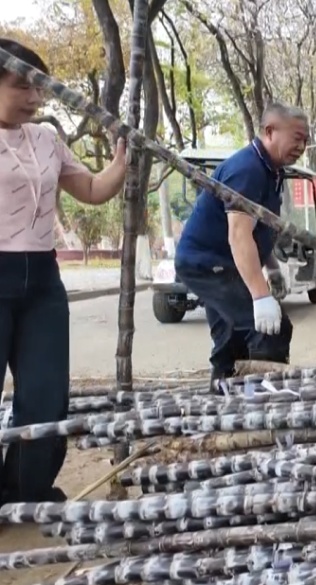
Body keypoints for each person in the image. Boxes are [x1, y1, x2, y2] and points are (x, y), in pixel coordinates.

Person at [0, 38, 127, 502]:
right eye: (21, 87)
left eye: (40, 89)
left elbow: (91, 189)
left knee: (45, 392)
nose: (35, 99)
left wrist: (120, 163)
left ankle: (24, 491)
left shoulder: (47, 139)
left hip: (43, 280)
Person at [175, 103, 309, 387]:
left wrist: (271, 269)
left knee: (231, 335)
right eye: (297, 137)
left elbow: (260, 228)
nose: (302, 145)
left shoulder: (270, 171)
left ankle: (224, 399)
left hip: (225, 264)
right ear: (270, 131)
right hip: (208, 262)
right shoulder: (247, 169)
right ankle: (263, 403)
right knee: (271, 329)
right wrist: (261, 296)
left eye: (306, 140)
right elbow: (239, 234)